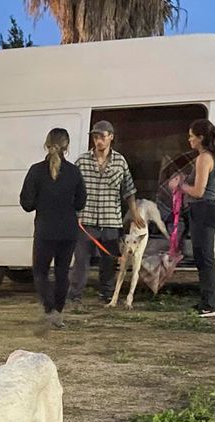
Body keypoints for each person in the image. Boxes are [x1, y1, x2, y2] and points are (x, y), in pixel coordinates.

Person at [68, 120, 145, 305]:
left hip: (111, 219)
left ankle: (107, 293)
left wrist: (134, 213)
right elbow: (72, 189)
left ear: (111, 137)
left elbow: (129, 189)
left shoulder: (120, 161)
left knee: (109, 260)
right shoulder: (82, 161)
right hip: (86, 219)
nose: (98, 141)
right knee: (81, 259)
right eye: (95, 137)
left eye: (102, 136)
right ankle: (75, 294)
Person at [20, 128, 87, 329]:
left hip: (45, 230)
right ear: (67, 147)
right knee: (62, 272)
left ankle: (49, 309)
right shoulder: (74, 172)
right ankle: (58, 311)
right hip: (68, 230)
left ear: (46, 144)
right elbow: (81, 202)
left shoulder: (35, 171)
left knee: (40, 272)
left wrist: (41, 202)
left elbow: (26, 203)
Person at [177, 120, 215, 318]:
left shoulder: (204, 158)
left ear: (201, 138)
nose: (189, 139)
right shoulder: (212, 157)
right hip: (207, 210)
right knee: (203, 258)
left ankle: (209, 305)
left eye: (191, 136)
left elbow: (198, 191)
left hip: (203, 210)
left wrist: (181, 185)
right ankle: (207, 301)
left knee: (205, 259)